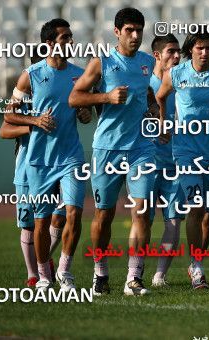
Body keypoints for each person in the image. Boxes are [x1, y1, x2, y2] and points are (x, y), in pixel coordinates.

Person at [68, 8, 156, 296]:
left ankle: (134, 277)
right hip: (107, 150)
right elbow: (74, 97)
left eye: (139, 30)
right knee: (104, 214)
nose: (135, 35)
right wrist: (105, 96)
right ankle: (100, 272)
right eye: (129, 30)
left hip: (142, 149)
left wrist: (155, 110)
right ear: (117, 32)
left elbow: (148, 93)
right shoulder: (101, 62)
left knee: (141, 212)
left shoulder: (147, 62)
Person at [4, 18, 91, 291]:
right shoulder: (30, 75)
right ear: (50, 44)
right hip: (39, 160)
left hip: (71, 156)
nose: (70, 42)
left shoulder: (80, 75)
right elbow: (9, 114)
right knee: (40, 221)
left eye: (71, 36)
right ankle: (42, 276)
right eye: (65, 37)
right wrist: (35, 121)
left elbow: (86, 114)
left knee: (74, 212)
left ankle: (64, 271)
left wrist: (85, 114)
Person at [155, 31, 209, 289]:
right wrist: (163, 123)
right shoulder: (177, 74)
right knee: (195, 205)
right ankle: (197, 265)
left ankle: (196, 260)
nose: (204, 52)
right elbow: (160, 96)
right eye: (199, 47)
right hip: (186, 151)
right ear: (191, 50)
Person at [148, 34, 184, 287]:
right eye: (171, 51)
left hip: (175, 162)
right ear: (157, 55)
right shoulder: (144, 84)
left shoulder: (183, 84)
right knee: (143, 220)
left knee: (173, 220)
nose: (177, 56)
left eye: (178, 51)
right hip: (147, 162)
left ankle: (160, 276)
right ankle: (134, 274)